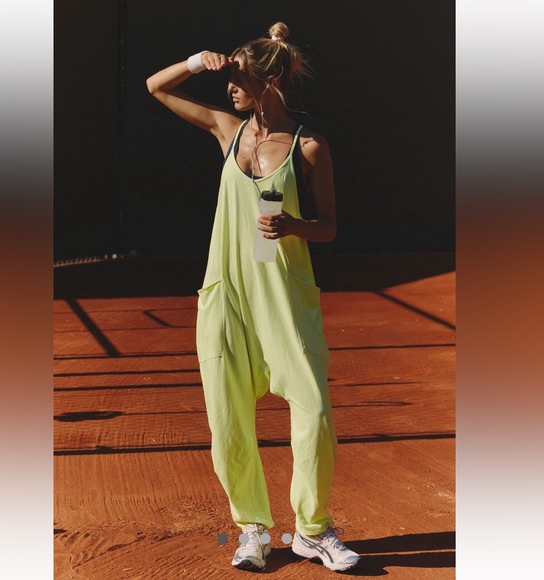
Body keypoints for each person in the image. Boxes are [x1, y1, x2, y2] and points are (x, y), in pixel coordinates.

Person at [146, 22, 360, 573]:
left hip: (284, 296)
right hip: (227, 295)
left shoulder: (309, 146)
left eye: (239, 77)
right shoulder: (227, 130)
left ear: (270, 81)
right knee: (228, 417)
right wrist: (199, 60)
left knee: (314, 411)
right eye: (229, 77)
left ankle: (312, 530)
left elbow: (330, 226)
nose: (230, 87)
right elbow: (156, 87)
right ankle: (253, 530)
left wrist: (294, 226)